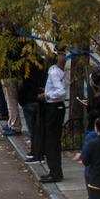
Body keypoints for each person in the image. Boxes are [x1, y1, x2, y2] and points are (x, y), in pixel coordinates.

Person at [39, 52, 69, 183]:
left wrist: (47, 95)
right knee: (53, 141)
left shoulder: (54, 73)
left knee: (51, 142)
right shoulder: (58, 72)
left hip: (54, 108)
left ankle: (55, 172)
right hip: (57, 107)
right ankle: (55, 171)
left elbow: (61, 91)